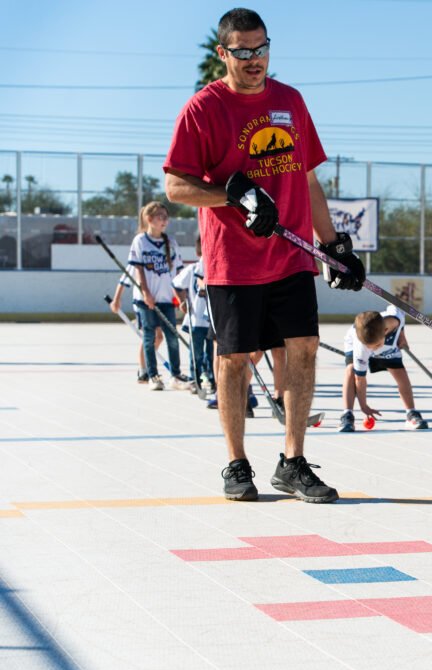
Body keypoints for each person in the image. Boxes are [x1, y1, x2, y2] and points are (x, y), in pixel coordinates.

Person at [163, 8, 365, 503]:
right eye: (243, 52)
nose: (254, 60)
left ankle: (293, 462)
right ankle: (236, 464)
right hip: (233, 262)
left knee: (304, 348)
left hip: (292, 256)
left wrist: (333, 244)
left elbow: (309, 180)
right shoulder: (203, 109)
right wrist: (232, 196)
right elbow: (175, 186)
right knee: (233, 360)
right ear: (223, 53)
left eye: (261, 49)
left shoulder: (290, 101)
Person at [125, 201, 189, 391]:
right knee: (150, 336)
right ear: (149, 219)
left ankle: (176, 375)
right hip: (146, 299)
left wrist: (182, 298)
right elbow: (139, 269)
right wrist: (146, 293)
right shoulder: (140, 241)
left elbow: (178, 274)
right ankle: (152, 375)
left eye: (166, 216)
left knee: (171, 337)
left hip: (166, 298)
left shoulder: (171, 243)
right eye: (160, 216)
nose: (164, 220)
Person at [338, 306, 428, 433]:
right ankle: (347, 415)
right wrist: (364, 406)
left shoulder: (395, 318)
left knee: (400, 373)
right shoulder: (361, 347)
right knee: (351, 370)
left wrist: (401, 335)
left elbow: (397, 309)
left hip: (389, 344)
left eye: (376, 345)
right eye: (371, 347)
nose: (374, 350)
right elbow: (360, 379)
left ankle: (411, 413)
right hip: (356, 343)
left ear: (386, 330)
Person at [172, 232, 215, 392]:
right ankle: (195, 379)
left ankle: (212, 379)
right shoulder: (193, 269)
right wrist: (182, 301)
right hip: (196, 320)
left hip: (212, 320)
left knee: (212, 353)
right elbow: (176, 284)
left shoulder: (216, 268)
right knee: (196, 353)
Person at [110, 270, 165, 384]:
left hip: (157, 301)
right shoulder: (137, 258)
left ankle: (148, 364)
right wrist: (116, 299)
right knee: (149, 337)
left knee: (159, 337)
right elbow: (124, 280)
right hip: (142, 303)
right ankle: (143, 371)